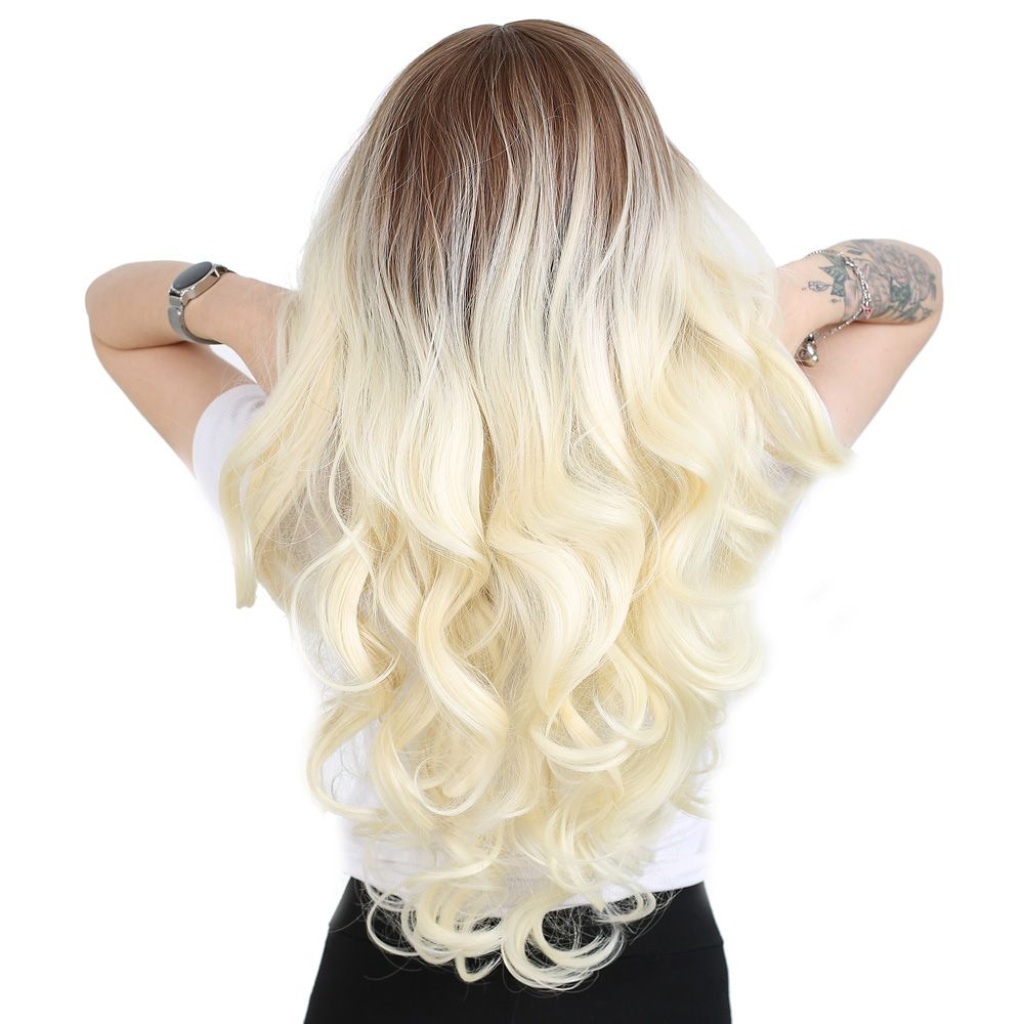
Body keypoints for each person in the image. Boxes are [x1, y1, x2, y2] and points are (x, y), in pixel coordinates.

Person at [84, 19, 943, 1024]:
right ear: (642, 220)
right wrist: (736, 318)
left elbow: (113, 316)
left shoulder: (300, 459)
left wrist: (261, 313)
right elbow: (913, 285)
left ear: (381, 226)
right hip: (656, 977)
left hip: (384, 977)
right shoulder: (719, 443)